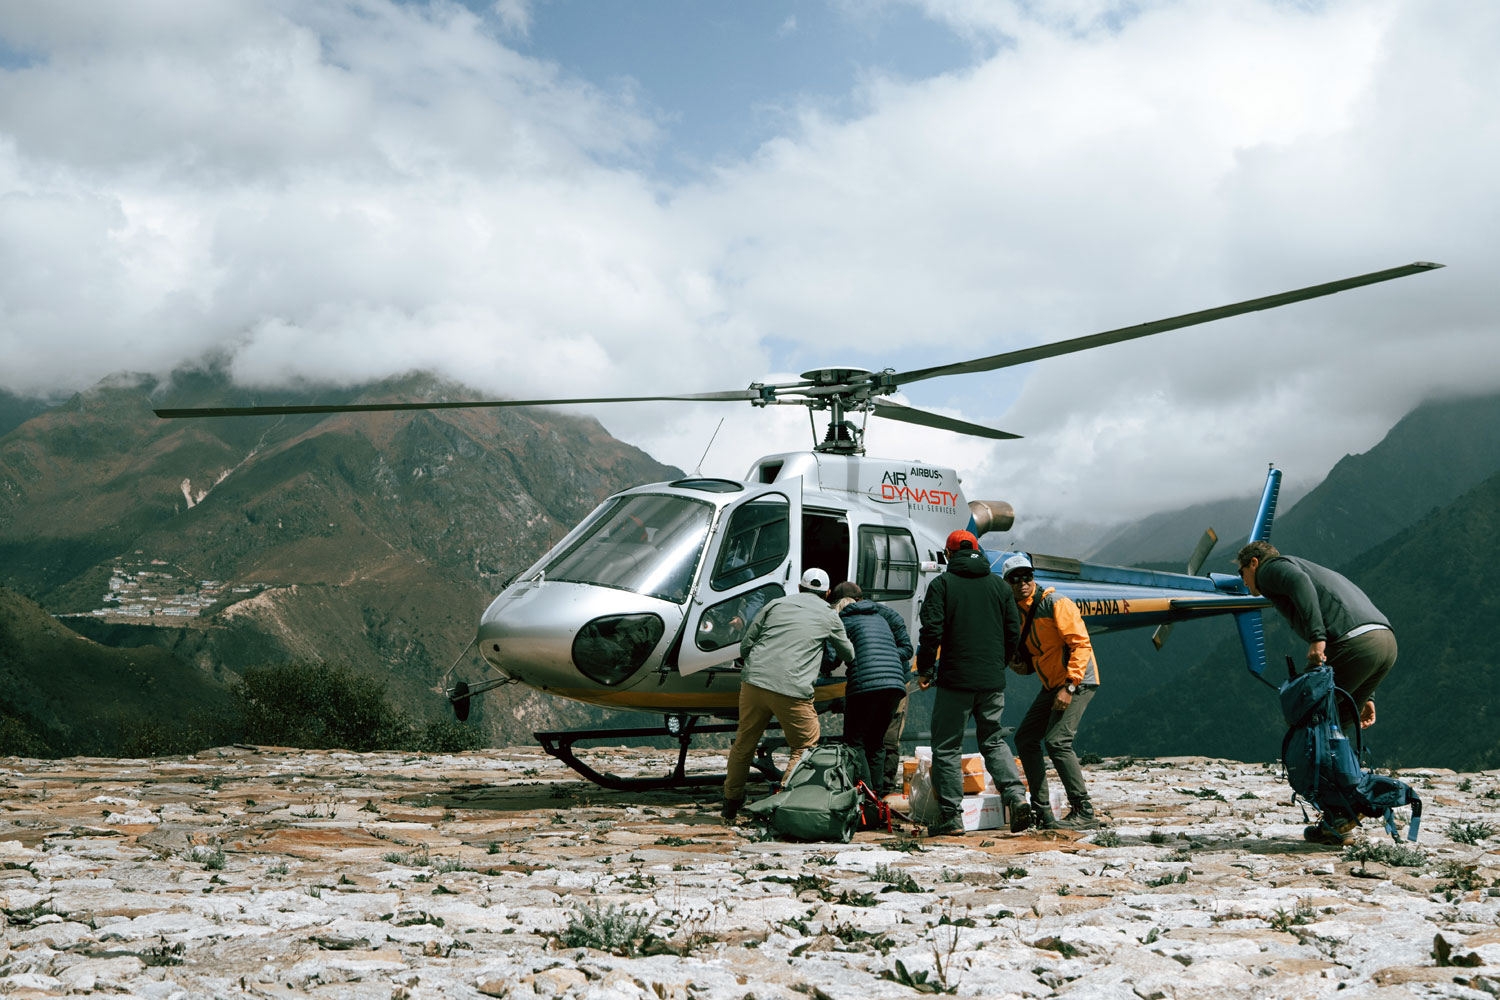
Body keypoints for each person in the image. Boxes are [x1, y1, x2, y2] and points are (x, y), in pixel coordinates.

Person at [1236, 540, 1397, 845]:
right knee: (1336, 729)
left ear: (1254, 563)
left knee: (1314, 730)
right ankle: (1344, 813)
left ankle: (1342, 815)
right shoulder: (1307, 565)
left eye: (1242, 573)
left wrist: (1317, 638)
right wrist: (1369, 695)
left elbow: (1299, 583)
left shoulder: (1272, 569)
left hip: (1353, 644)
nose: (1243, 581)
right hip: (1384, 642)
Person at [916, 530, 1031, 837]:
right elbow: (1013, 632)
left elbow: (931, 631)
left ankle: (952, 817)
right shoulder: (999, 585)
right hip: (992, 680)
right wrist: (998, 664)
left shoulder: (942, 584)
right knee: (993, 739)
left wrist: (925, 669)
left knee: (947, 746)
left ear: (949, 554)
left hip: (955, 680)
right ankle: (1016, 797)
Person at [721, 567, 857, 823]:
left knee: (744, 743)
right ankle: (781, 803)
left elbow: (746, 644)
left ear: (799, 587)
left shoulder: (775, 604)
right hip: (793, 688)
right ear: (827, 593)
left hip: (755, 681)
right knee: (804, 746)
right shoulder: (829, 615)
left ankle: (731, 802)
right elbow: (848, 654)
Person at [1002, 554, 1103, 831]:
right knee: (1025, 738)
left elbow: (1081, 645)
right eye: (1015, 578)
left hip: (1078, 681)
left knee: (1058, 741)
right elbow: (1035, 659)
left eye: (1027, 576)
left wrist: (1069, 687)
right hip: (1053, 685)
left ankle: (1084, 810)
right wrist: (1018, 665)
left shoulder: (1056, 603)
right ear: (1008, 583)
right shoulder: (1017, 614)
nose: (1023, 582)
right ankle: (1042, 811)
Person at [825, 581, 913, 794]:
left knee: (855, 742)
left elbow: (832, 660)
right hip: (895, 684)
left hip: (865, 685)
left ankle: (865, 795)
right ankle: (878, 796)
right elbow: (903, 648)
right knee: (876, 742)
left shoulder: (842, 620)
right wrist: (886, 657)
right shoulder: (880, 616)